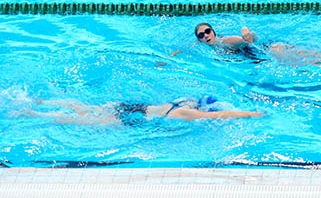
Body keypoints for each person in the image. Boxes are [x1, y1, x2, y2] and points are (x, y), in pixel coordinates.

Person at [194, 22, 321, 67]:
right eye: (201, 35)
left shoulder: (222, 42)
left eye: (207, 31)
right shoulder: (212, 46)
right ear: (199, 40)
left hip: (274, 52)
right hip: (273, 50)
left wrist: (245, 36)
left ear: (214, 32)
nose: (205, 35)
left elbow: (239, 41)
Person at [16, 96, 263, 126]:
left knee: (86, 107)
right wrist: (251, 114)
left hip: (135, 105)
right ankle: (33, 115)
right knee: (79, 121)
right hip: (134, 117)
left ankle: (41, 102)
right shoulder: (187, 114)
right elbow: (219, 116)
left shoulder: (183, 101)